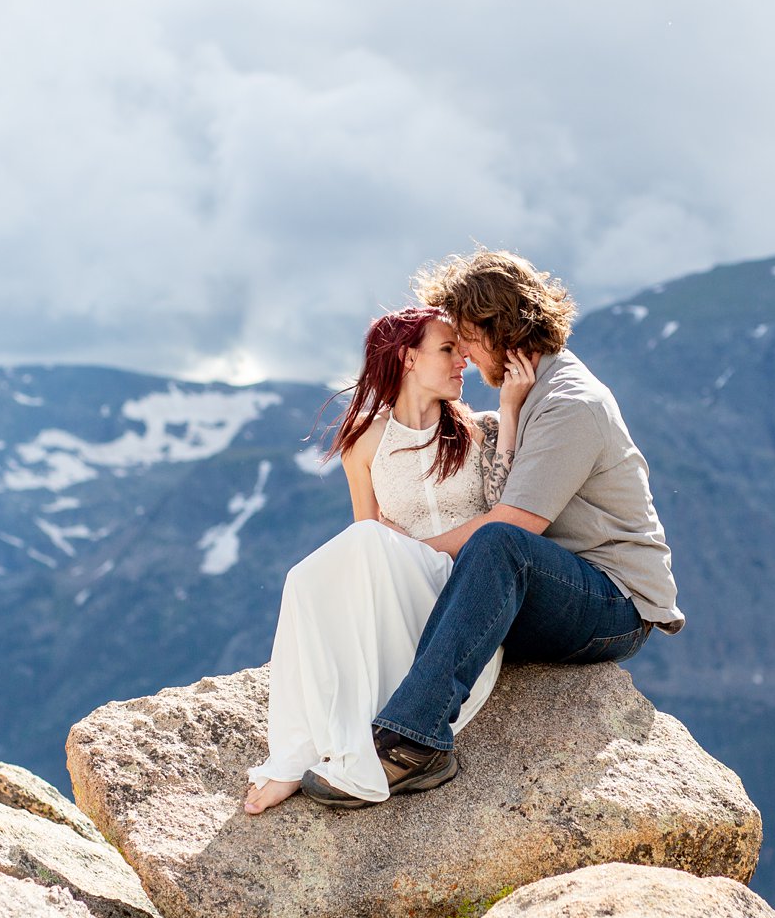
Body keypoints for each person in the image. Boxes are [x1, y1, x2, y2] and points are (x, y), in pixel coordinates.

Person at [303, 248, 682, 810]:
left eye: (468, 338)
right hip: (555, 588)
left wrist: (410, 554)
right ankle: (346, 731)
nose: (465, 353)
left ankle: (417, 739)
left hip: (614, 603)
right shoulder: (532, 395)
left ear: (497, 329)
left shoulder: (569, 403)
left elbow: (515, 523)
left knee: (498, 542)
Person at [241, 306, 526, 814]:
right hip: (401, 597)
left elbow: (507, 521)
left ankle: (330, 745)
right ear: (407, 357)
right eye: (447, 349)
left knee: (367, 544)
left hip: (470, 597)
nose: (463, 358)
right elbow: (365, 545)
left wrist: (509, 415)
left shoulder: (478, 429)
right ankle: (298, 751)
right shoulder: (364, 443)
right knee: (306, 579)